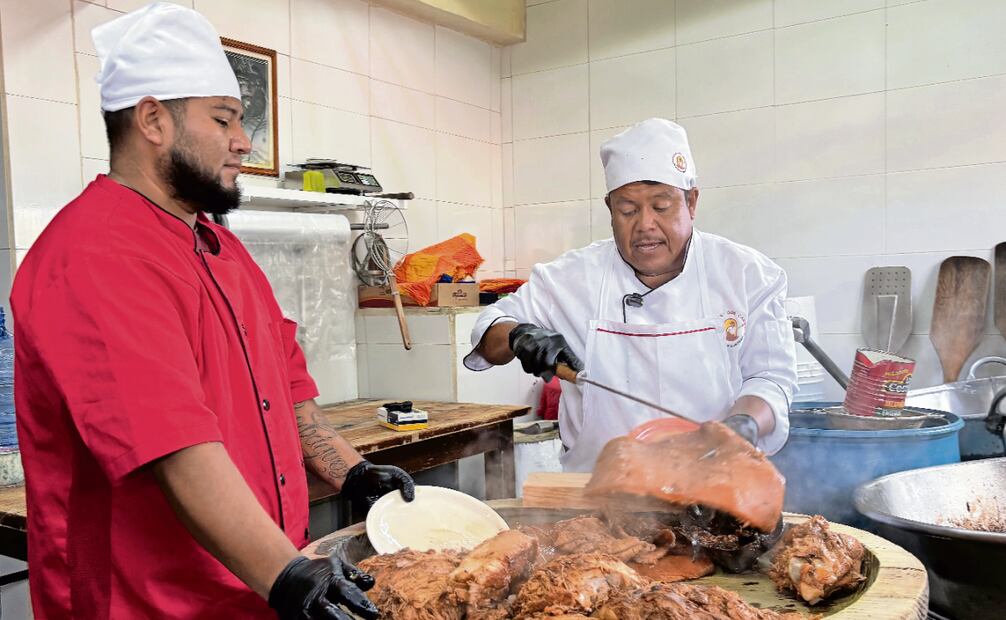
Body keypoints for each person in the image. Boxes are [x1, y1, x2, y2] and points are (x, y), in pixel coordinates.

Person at [10, 4, 412, 618]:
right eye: (223, 119)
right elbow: (175, 448)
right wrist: (287, 575)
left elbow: (288, 394)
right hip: (149, 604)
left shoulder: (222, 248)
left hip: (249, 587)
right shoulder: (96, 252)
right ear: (153, 120)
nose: (244, 141)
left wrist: (353, 472)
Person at [465, 118, 798, 473]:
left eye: (661, 206)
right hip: (596, 489)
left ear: (691, 202)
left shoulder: (747, 274)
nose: (645, 225)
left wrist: (744, 424)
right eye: (628, 210)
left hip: (712, 483)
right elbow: (489, 331)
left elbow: (770, 378)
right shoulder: (567, 279)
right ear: (610, 209)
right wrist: (517, 336)